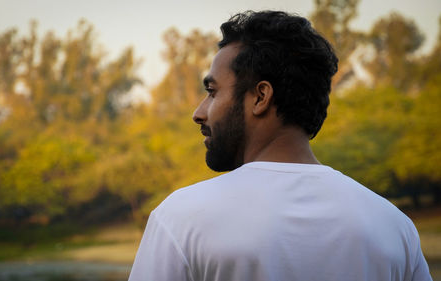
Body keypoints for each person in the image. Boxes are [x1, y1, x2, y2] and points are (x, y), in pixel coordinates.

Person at [128, 10, 432, 281]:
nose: (199, 112)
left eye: (212, 91)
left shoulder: (182, 218)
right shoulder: (393, 226)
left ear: (261, 97)